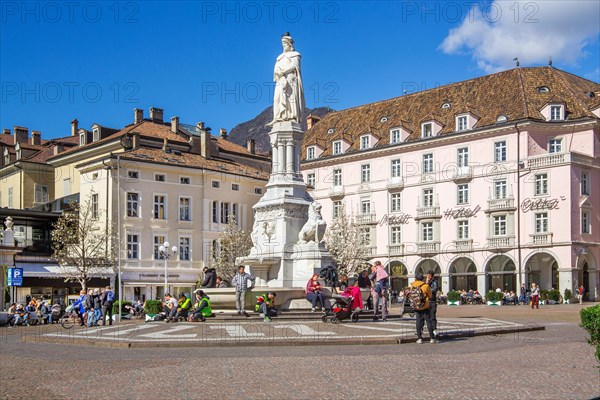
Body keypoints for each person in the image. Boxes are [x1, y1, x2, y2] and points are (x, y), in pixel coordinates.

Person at [268, 32, 304, 125]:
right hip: (281, 80)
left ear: (289, 44)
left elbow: (295, 67)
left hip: (290, 79)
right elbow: (276, 68)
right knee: (277, 98)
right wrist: (278, 72)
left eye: (285, 44)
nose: (283, 46)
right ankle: (278, 116)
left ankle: (291, 116)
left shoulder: (295, 55)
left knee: (290, 98)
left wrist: (284, 71)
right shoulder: (279, 57)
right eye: (282, 44)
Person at [408, 272, 435, 344]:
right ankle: (432, 338)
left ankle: (419, 338)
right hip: (425, 306)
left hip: (416, 306)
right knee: (428, 322)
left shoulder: (411, 285)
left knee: (418, 322)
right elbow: (430, 296)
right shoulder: (425, 286)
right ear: (422, 278)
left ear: (416, 278)